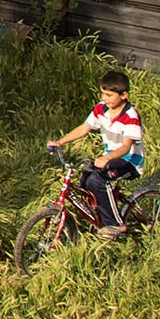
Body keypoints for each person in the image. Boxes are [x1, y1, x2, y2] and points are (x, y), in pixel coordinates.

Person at [46, 69, 146, 237]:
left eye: (109, 95)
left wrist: (107, 157)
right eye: (103, 94)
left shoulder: (131, 116)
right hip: (110, 158)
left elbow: (126, 147)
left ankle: (115, 224)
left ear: (124, 95)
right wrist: (60, 142)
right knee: (86, 178)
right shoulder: (101, 109)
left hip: (130, 161)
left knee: (97, 180)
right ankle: (98, 215)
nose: (104, 99)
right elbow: (85, 128)